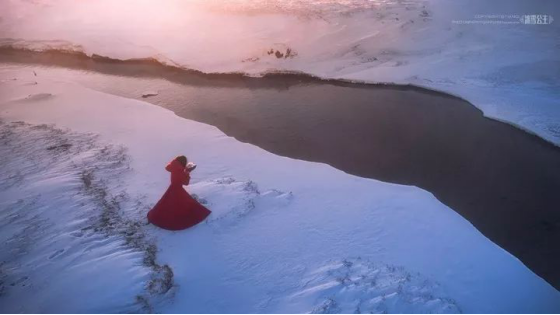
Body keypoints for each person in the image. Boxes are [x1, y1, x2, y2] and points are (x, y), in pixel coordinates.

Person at [147, 156, 211, 231]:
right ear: (183, 162)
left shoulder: (174, 167)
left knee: (165, 203)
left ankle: (157, 217)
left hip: (172, 188)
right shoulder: (180, 170)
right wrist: (187, 172)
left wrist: (185, 170)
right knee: (180, 205)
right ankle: (175, 221)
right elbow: (186, 183)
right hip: (177, 189)